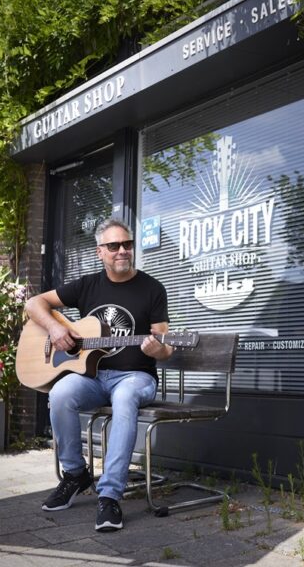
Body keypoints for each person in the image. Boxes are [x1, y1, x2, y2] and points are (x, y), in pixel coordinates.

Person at [25, 218, 172, 532]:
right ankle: (75, 474)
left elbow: (166, 346)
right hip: (92, 377)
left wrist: (157, 349)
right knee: (60, 393)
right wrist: (55, 328)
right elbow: (34, 303)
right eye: (114, 245)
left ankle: (110, 495)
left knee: (125, 396)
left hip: (135, 377)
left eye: (127, 244)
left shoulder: (152, 288)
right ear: (100, 252)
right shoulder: (87, 286)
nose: (122, 251)